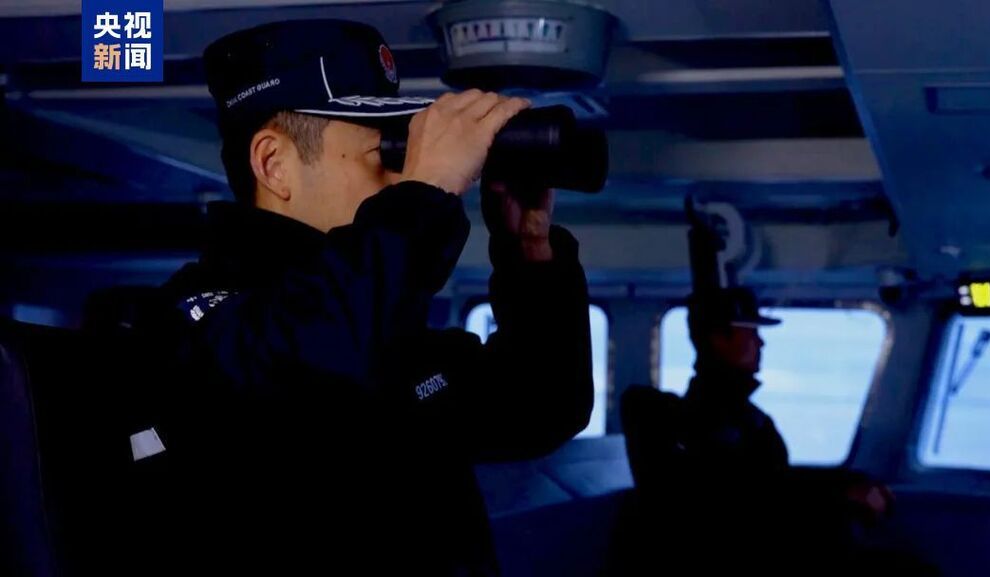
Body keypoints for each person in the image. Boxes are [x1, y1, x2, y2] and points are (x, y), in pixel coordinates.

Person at [132, 19, 594, 576]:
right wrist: (426, 195)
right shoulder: (197, 324)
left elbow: (541, 404)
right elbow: (314, 359)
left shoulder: (377, 323)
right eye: (387, 154)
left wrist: (530, 253)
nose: (402, 179)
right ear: (274, 165)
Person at [618, 287, 895, 574]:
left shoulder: (749, 419)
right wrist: (840, 497)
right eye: (750, 332)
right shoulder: (697, 423)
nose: (760, 342)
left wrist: (851, 482)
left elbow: (773, 482)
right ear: (719, 339)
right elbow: (748, 499)